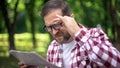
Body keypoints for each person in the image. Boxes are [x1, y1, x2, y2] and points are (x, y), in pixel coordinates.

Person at [19, 0, 120, 68]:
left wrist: (78, 33)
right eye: (49, 27)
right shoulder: (53, 47)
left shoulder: (95, 35)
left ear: (71, 18)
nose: (54, 32)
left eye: (57, 24)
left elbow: (116, 63)